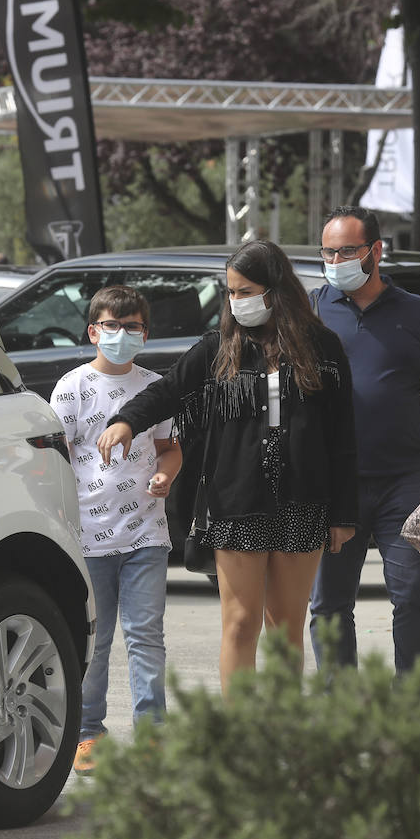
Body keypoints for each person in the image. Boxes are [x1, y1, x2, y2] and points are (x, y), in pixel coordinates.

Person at [97, 240, 357, 694]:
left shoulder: (323, 347)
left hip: (304, 500)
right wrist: (126, 420)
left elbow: (343, 434)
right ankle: (239, 743)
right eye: (231, 292)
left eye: (246, 290)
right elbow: (168, 391)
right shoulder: (219, 348)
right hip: (237, 501)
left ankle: (279, 736)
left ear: (276, 290)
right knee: (240, 622)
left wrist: (343, 513)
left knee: (287, 628)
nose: (238, 301)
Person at [308, 205, 420, 675]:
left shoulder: (416, 312)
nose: (335, 259)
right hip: (334, 485)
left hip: (405, 483)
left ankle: (409, 710)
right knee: (329, 603)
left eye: (346, 251)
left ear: (375, 252)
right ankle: (339, 711)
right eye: (328, 251)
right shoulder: (312, 311)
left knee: (415, 595)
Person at [50, 285, 182, 776]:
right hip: (87, 536)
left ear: (145, 333)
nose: (121, 335)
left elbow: (170, 448)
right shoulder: (72, 388)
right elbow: (56, 457)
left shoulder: (157, 387)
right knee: (96, 638)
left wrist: (166, 473)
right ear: (93, 331)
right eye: (112, 325)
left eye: (132, 327)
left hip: (146, 533)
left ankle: (153, 737)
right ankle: (87, 734)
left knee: (146, 635)